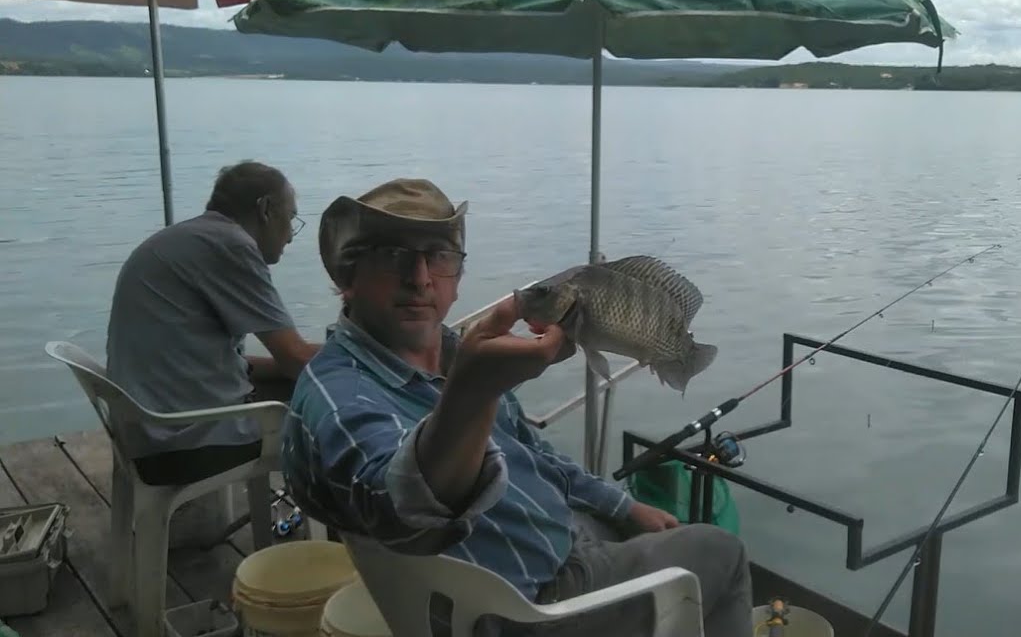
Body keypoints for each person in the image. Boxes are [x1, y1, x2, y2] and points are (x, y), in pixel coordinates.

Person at [281, 177, 754, 637]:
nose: (420, 278)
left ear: (458, 277)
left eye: (438, 256)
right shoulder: (338, 397)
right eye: (393, 255)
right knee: (724, 553)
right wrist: (474, 392)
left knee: (646, 525)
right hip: (527, 607)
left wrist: (625, 505)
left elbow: (534, 453)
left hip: (556, 540)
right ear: (347, 275)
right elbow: (403, 508)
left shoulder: (452, 351)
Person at [105, 160, 320, 487]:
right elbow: (295, 359)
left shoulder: (191, 237)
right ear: (265, 209)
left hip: (145, 430)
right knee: (333, 425)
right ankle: (348, 535)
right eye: (290, 218)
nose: (290, 235)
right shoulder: (231, 245)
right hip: (180, 444)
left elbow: (226, 361)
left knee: (307, 387)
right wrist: (378, 362)